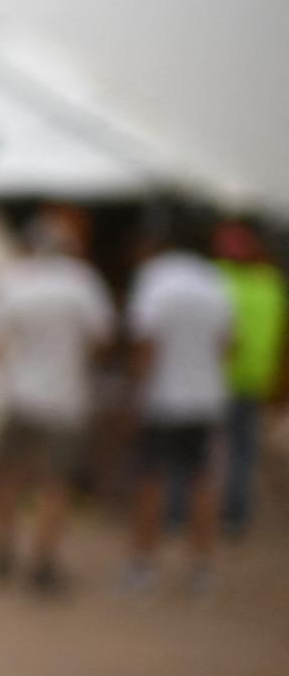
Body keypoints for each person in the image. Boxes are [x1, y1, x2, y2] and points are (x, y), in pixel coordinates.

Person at [0, 213, 115, 594]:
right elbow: (101, 340)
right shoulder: (82, 283)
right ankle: (42, 562)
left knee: (8, 475)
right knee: (55, 483)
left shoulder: (15, 282)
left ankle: (1, 551)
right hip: (64, 399)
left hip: (18, 395)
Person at [123, 209, 234, 592]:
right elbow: (228, 343)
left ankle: (143, 565)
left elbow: (146, 341)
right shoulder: (215, 280)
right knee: (202, 483)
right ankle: (201, 568)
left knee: (149, 481)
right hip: (205, 398)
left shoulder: (154, 280)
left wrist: (137, 391)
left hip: (162, 399)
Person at [213, 220, 285, 538]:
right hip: (255, 378)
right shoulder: (272, 283)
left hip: (219, 377)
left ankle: (196, 510)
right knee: (242, 449)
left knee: (213, 447)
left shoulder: (218, 278)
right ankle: (235, 514)